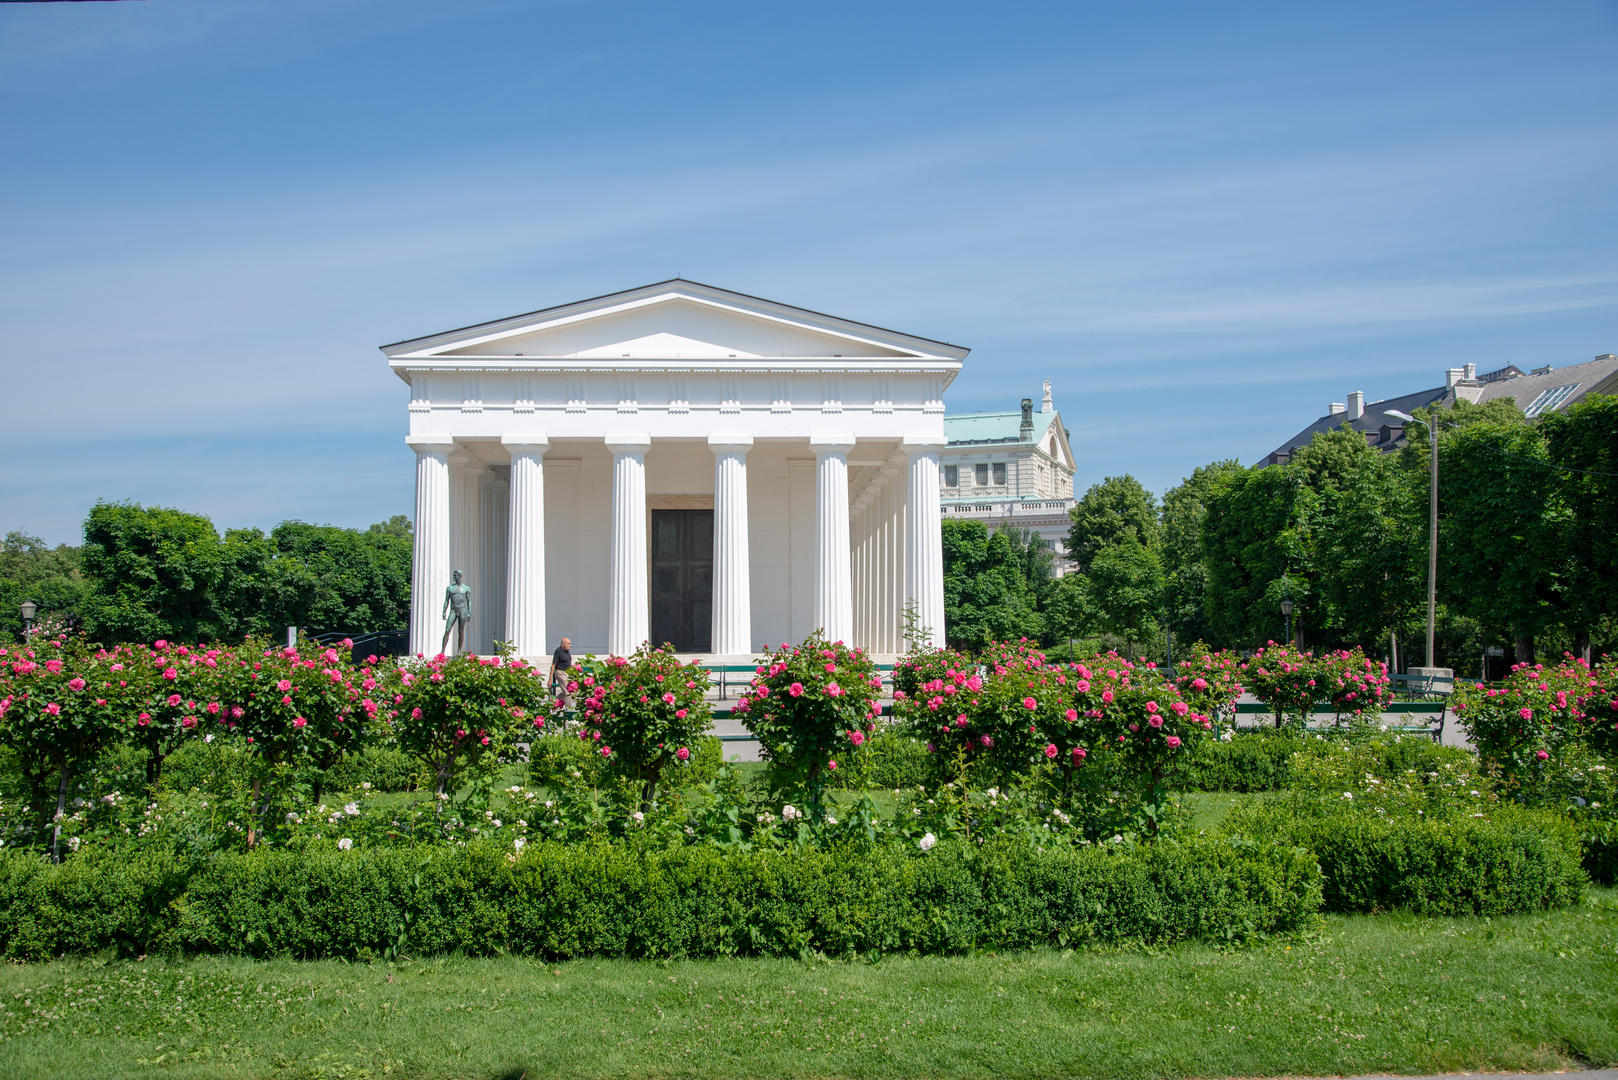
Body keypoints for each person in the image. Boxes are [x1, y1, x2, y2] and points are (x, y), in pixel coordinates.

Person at [549, 637, 573, 708]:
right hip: (560, 672)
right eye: (568, 644)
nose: (569, 645)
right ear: (562, 644)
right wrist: (550, 679)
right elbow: (553, 665)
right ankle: (569, 711)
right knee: (567, 691)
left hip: (567, 672)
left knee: (566, 692)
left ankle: (552, 703)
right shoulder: (558, 651)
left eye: (570, 644)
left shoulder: (567, 652)